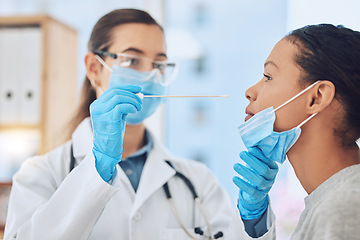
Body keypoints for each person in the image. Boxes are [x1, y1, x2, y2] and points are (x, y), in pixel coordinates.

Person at [4, 9, 233, 240]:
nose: (149, 75)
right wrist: (98, 168)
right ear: (94, 68)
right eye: (132, 60)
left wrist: (256, 218)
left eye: (159, 65)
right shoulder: (42, 174)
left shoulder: (198, 180)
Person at [230, 24, 360, 239]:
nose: (250, 92)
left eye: (268, 77)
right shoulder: (328, 202)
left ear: (316, 97)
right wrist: (255, 221)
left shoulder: (344, 207)